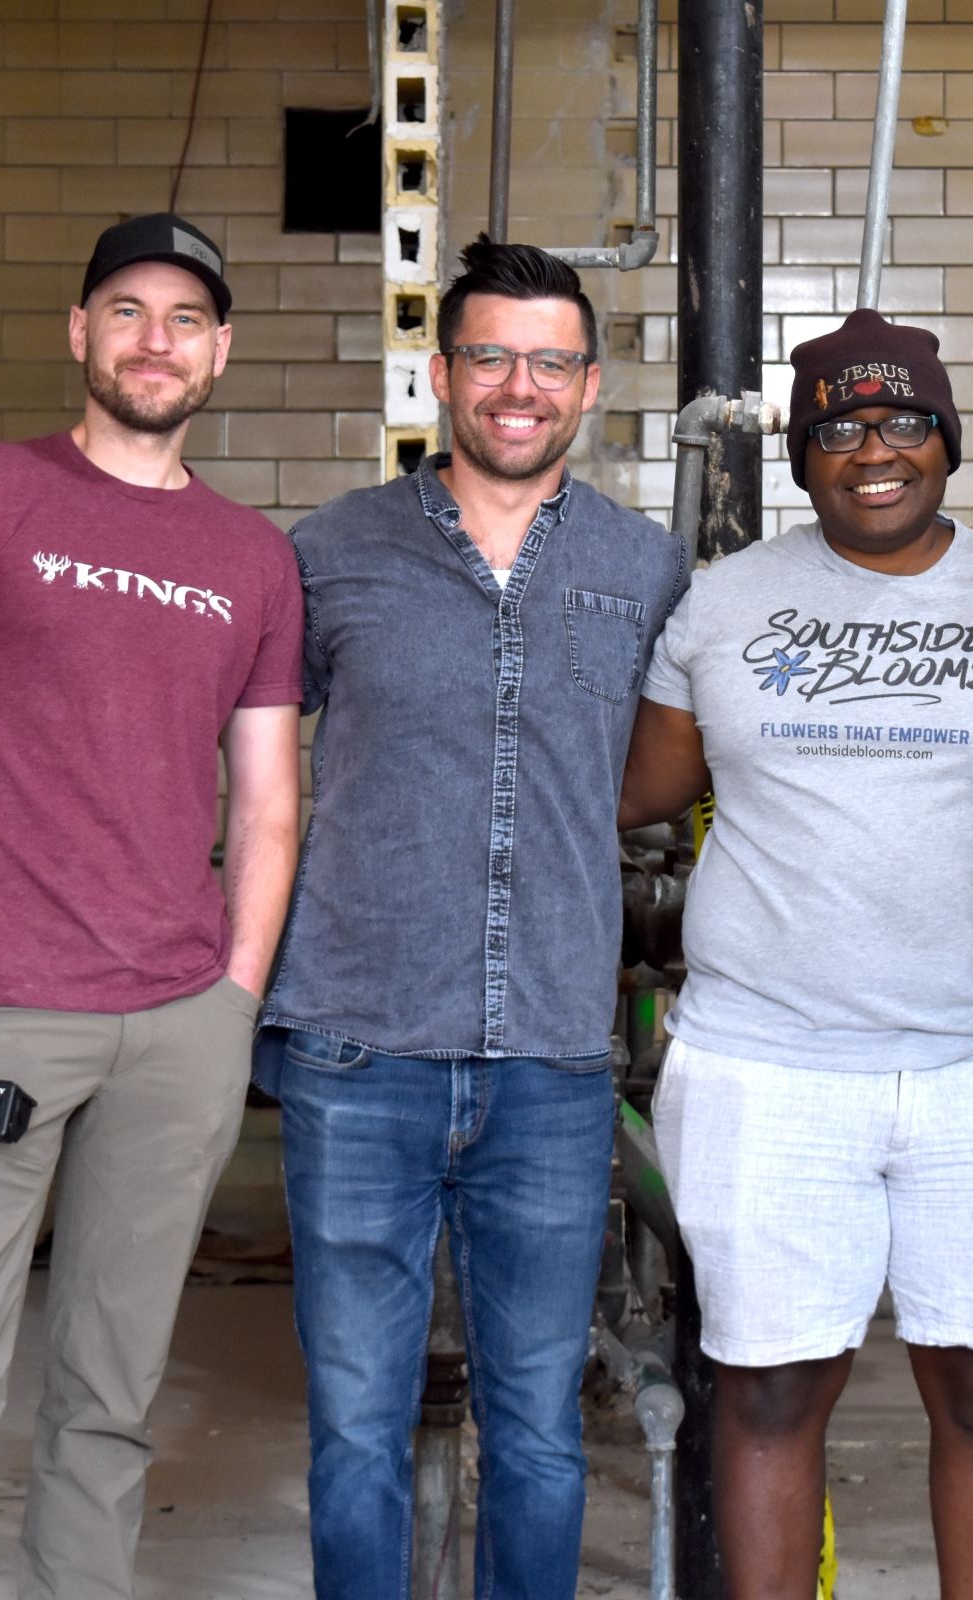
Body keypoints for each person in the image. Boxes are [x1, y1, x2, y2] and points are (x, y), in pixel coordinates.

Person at [0, 213, 305, 1600]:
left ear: (220, 352)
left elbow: (270, 799)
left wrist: (235, 997)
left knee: (110, 1393)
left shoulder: (251, 558)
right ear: (79, 332)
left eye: (186, 318)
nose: (156, 339)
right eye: (127, 309)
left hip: (179, 1024)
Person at [619, 308, 973, 1600]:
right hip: (769, 1065)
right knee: (772, 1385)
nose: (876, 449)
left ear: (947, 440)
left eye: (905, 421)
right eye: (841, 427)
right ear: (802, 455)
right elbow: (634, 792)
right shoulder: (725, 606)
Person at [258, 236, 685, 1600]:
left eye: (549, 361)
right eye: (490, 356)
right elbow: (248, 773)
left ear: (590, 386)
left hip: (554, 1061)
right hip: (357, 1053)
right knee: (358, 1432)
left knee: (542, 1435)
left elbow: (680, 768)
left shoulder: (646, 568)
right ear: (441, 373)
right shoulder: (327, 555)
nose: (519, 386)